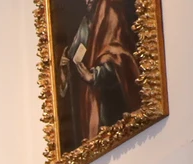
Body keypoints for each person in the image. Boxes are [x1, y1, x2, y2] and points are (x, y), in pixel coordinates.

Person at [57, 0, 142, 150]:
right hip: (91, 104)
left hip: (111, 103)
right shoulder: (87, 22)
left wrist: (96, 76)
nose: (87, 1)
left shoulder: (110, 13)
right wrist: (65, 70)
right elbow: (75, 58)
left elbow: (120, 56)